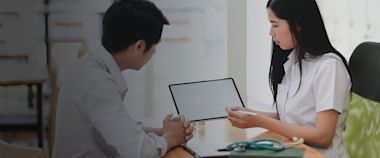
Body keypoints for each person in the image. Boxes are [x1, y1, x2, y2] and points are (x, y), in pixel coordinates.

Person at [52, 0, 194, 157]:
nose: (154, 52)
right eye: (154, 46)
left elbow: (120, 129)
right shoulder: (97, 81)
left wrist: (161, 132)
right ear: (139, 46)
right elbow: (139, 152)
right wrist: (170, 138)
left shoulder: (92, 66)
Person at [226, 0, 351, 157]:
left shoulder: (329, 66)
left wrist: (260, 121)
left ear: (298, 24)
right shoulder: (294, 61)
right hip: (293, 151)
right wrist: (249, 114)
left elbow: (323, 136)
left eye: (275, 25)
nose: (270, 32)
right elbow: (292, 116)